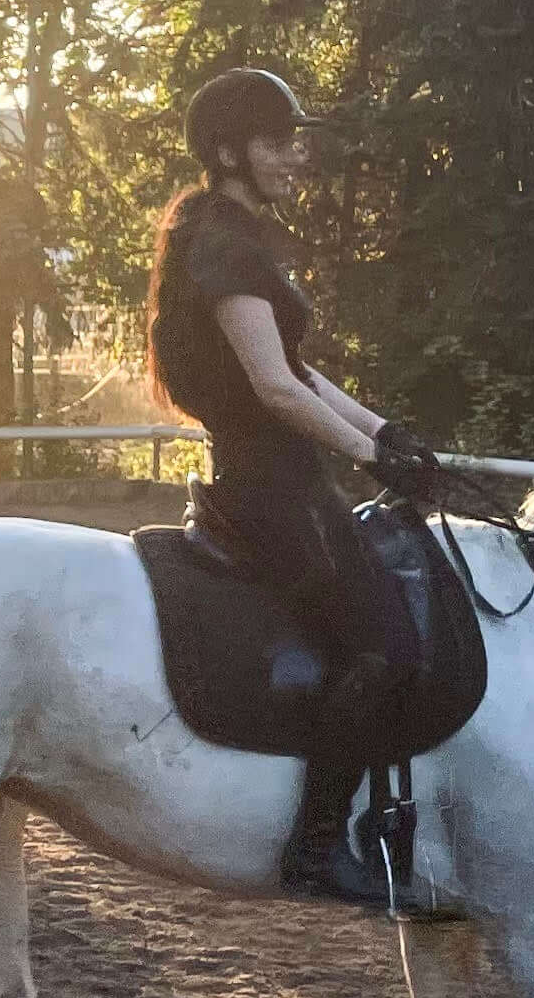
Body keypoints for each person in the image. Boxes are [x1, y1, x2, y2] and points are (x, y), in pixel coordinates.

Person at [144, 68, 444, 902]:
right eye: (279, 142)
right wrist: (373, 458)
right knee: (382, 648)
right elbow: (274, 390)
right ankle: (316, 846)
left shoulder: (232, 238)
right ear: (232, 151)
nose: (295, 157)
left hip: (288, 480)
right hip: (270, 489)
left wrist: (385, 432)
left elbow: (298, 372)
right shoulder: (228, 250)